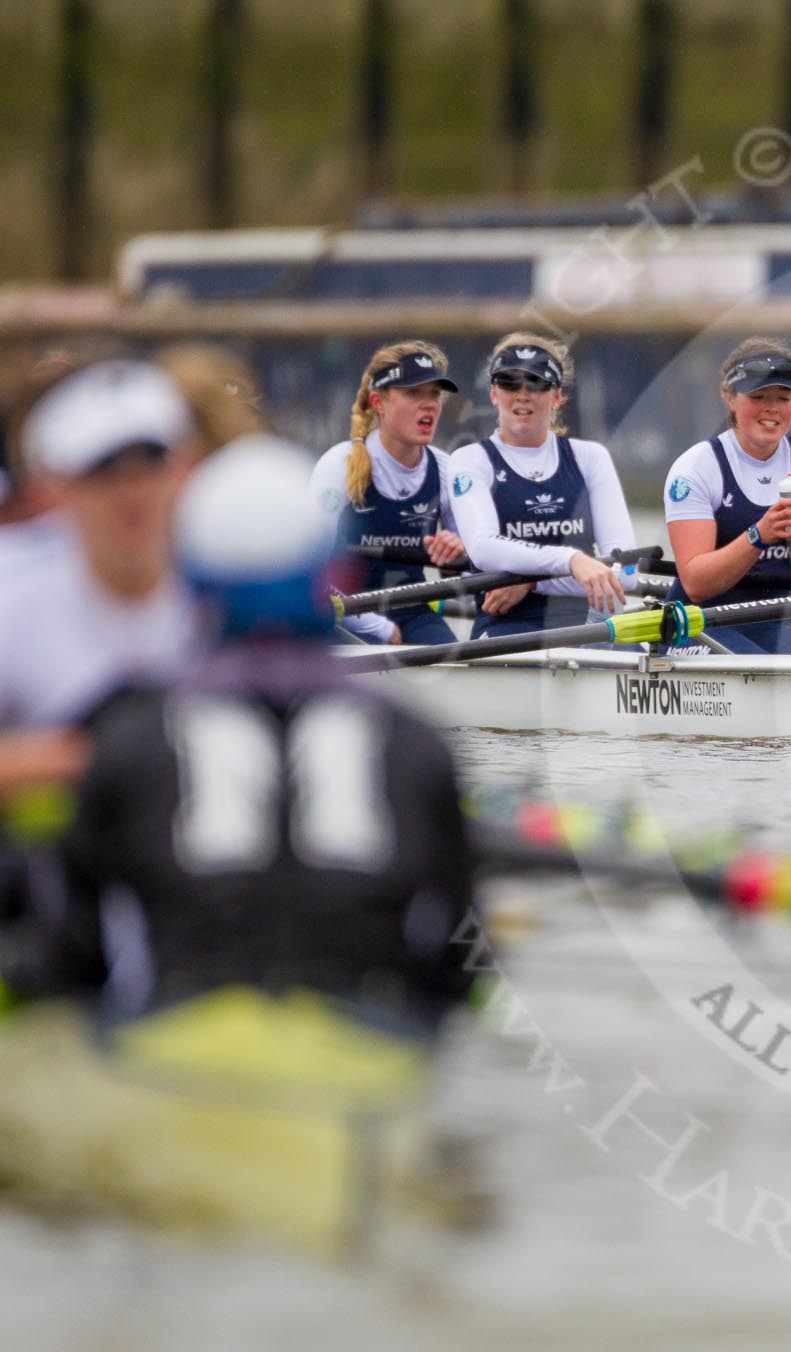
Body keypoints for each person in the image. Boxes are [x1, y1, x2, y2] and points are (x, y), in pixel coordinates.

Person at [17, 433, 477, 1038]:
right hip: (363, 1062)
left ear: (193, 586)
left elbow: (73, 962)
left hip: (179, 1061)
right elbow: (457, 969)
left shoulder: (129, 738)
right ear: (331, 579)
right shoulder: (415, 743)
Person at [0, 360, 203, 790]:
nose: (133, 493)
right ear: (51, 489)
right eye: (103, 471)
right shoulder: (11, 586)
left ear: (185, 471)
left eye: (153, 463)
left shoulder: (225, 572)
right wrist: (102, 758)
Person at [661, 338, 791, 655]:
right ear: (730, 398)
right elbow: (696, 583)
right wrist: (760, 535)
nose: (771, 408)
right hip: (696, 625)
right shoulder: (697, 468)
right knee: (756, 673)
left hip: (771, 625)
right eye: (758, 397)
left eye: (782, 397)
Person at [444, 332, 631, 638]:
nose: (522, 394)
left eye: (536, 383)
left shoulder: (590, 458)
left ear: (556, 396)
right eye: (509, 382)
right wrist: (571, 560)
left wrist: (533, 581)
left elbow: (629, 574)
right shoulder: (470, 460)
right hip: (506, 628)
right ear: (493, 393)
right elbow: (482, 549)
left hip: (586, 626)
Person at [311, 341, 465, 645]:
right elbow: (312, 570)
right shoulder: (338, 466)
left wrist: (457, 556)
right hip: (343, 614)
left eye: (434, 394)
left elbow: (473, 571)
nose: (429, 404)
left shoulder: (447, 470)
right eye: (413, 393)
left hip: (413, 611)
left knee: (455, 666)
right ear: (378, 402)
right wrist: (377, 628)